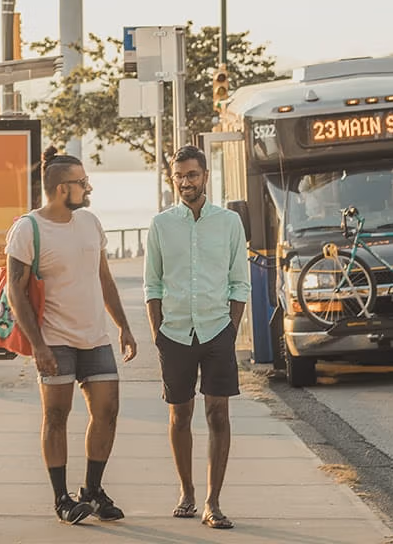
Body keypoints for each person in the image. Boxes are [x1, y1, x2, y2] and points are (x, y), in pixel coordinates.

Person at [5, 146, 139, 525]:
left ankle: (92, 491)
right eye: (82, 183)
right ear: (63, 189)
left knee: (107, 412)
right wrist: (39, 345)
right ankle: (62, 498)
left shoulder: (91, 223)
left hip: (95, 336)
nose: (88, 188)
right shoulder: (27, 229)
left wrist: (123, 326)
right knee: (57, 416)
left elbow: (104, 278)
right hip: (54, 339)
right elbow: (16, 291)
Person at [144, 145, 252, 530]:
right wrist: (157, 334)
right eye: (179, 176)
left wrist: (231, 329)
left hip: (216, 330)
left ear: (205, 175)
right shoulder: (161, 224)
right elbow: (152, 285)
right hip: (174, 334)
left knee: (217, 413)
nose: (186, 182)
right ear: (172, 179)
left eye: (192, 175)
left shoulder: (228, 223)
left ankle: (213, 502)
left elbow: (240, 283)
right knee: (180, 415)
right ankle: (186, 492)